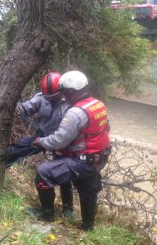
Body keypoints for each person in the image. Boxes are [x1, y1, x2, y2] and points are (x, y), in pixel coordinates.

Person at [32, 71, 111, 231]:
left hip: (83, 161)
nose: (63, 96)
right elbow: (105, 128)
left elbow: (60, 139)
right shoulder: (98, 104)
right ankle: (88, 226)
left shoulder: (75, 113)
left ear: (69, 92)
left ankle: (47, 212)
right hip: (99, 158)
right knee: (88, 190)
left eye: (64, 92)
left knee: (43, 172)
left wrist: (41, 142)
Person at [16, 72, 74, 218]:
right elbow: (26, 108)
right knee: (19, 148)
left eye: (53, 97)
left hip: (63, 144)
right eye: (48, 97)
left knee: (63, 177)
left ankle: (68, 209)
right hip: (41, 138)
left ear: (61, 92)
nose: (50, 100)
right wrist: (18, 108)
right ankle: (1, 164)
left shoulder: (70, 106)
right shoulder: (41, 98)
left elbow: (67, 134)